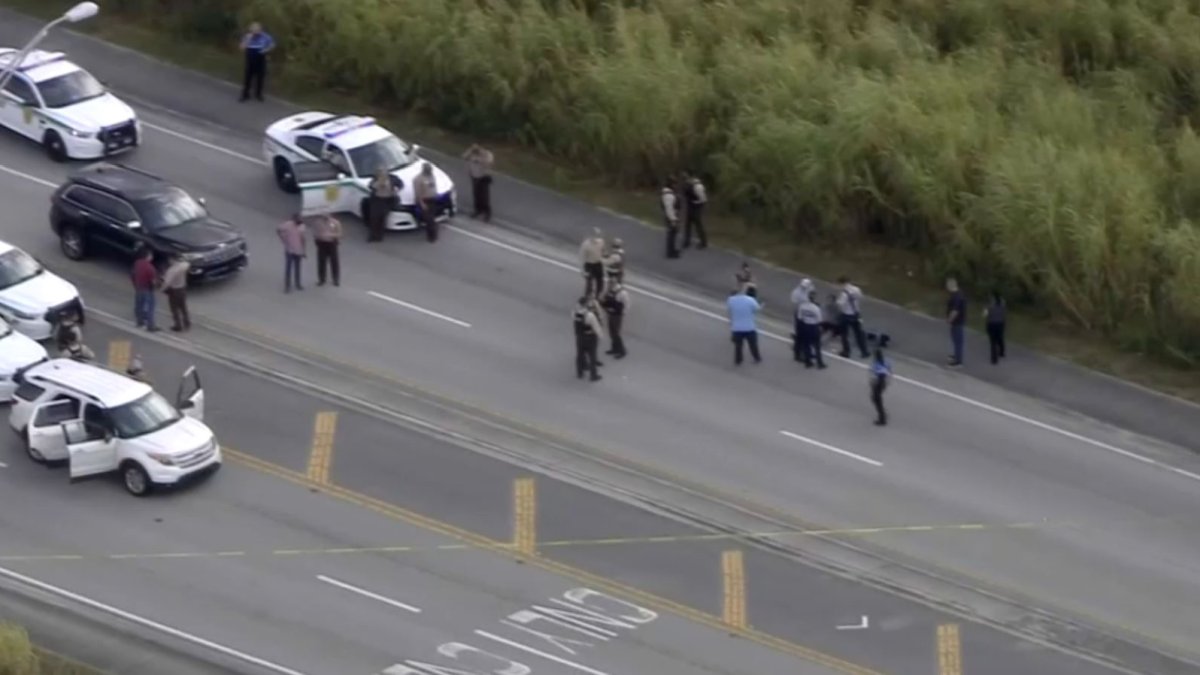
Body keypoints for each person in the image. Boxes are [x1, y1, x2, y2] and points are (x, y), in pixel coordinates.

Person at [238, 22, 275, 102]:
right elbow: (242, 48)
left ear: (260, 30)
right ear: (251, 30)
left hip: (261, 57)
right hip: (250, 56)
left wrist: (266, 50)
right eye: (253, 29)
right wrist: (248, 39)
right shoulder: (248, 36)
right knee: (248, 77)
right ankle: (245, 94)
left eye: (257, 29)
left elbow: (272, 44)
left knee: (260, 77)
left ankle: (258, 94)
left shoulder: (265, 36)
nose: (255, 31)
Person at [727, 287, 763, 365]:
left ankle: (738, 360)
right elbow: (757, 309)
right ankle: (757, 358)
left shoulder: (730, 300)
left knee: (738, 346)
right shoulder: (750, 300)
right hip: (749, 327)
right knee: (753, 345)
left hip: (737, 328)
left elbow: (730, 312)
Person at [836, 276, 869, 359]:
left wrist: (840, 309)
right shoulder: (856, 289)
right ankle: (864, 351)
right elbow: (861, 298)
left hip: (846, 315)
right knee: (859, 334)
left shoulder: (844, 293)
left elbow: (840, 304)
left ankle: (846, 352)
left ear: (842, 283)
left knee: (844, 334)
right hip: (856, 314)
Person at [573, 297, 603, 382]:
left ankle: (580, 372)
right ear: (585, 304)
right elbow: (596, 327)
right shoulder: (590, 315)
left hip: (580, 337)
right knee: (592, 356)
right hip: (590, 338)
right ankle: (593, 375)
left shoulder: (575, 313)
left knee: (580, 354)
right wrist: (600, 336)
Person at [463, 144, 495, 222]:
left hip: (483, 177)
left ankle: (487, 213)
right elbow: (464, 156)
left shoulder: (487, 154)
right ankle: (477, 210)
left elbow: (488, 163)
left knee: (484, 197)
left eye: (478, 148)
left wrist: (481, 155)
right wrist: (470, 150)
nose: (477, 150)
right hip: (474, 177)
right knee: (476, 195)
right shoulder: (472, 154)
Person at [160, 253, 191, 332]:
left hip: (174, 291)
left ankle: (178, 325)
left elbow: (167, 283)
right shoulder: (183, 265)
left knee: (174, 309)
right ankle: (187, 322)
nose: (169, 261)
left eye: (169, 260)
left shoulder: (171, 271)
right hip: (182, 289)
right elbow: (188, 264)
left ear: (172, 260)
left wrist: (162, 289)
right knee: (183, 307)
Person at [277, 214, 307, 293]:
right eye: (298, 220)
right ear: (294, 219)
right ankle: (287, 286)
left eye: (300, 220)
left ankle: (298, 284)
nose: (300, 221)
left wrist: (304, 251)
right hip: (289, 250)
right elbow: (278, 229)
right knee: (288, 269)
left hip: (299, 250)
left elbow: (303, 239)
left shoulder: (302, 226)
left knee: (298, 268)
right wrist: (283, 239)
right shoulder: (287, 224)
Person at [131, 248, 159, 332]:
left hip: (138, 288)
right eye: (151, 255)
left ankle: (140, 322)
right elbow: (153, 282)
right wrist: (157, 286)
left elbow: (132, 274)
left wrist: (135, 284)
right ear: (148, 256)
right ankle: (150, 326)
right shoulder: (150, 268)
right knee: (150, 307)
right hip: (147, 289)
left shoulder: (137, 263)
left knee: (138, 306)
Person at [797, 291, 826, 369]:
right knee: (817, 345)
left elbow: (800, 317)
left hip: (805, 326)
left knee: (806, 345)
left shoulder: (802, 306)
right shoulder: (816, 308)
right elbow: (819, 320)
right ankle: (820, 363)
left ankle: (808, 362)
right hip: (814, 327)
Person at [601, 281, 630, 359]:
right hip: (611, 313)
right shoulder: (610, 290)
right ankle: (614, 348)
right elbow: (606, 299)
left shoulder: (622, 293)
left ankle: (622, 350)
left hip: (617, 315)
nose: (609, 285)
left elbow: (627, 304)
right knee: (611, 332)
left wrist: (622, 313)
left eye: (611, 284)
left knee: (616, 333)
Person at [366, 168, 396, 242]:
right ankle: (372, 236)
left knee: (382, 219)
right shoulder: (376, 180)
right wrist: (378, 182)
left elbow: (400, 184)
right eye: (380, 173)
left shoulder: (392, 179)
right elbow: (370, 186)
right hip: (377, 200)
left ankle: (380, 235)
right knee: (374, 219)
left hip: (386, 201)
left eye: (383, 173)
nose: (382, 175)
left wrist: (396, 189)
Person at [313, 213, 343, 286]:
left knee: (334, 262)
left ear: (330, 214)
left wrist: (330, 235)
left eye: (326, 214)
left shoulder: (335, 222)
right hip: (321, 243)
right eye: (323, 214)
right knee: (321, 262)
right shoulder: (318, 222)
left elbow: (339, 234)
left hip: (332, 243)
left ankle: (335, 279)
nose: (325, 216)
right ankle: (321, 279)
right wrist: (318, 236)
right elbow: (315, 233)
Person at [413, 162, 439, 243]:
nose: (430, 171)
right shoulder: (418, 179)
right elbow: (417, 193)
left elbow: (433, 186)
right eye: (429, 170)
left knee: (432, 218)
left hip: (432, 199)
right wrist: (422, 203)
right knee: (429, 219)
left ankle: (432, 232)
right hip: (424, 201)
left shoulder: (432, 176)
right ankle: (431, 236)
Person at [682, 171, 708, 249]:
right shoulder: (687, 184)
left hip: (697, 207)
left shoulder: (698, 186)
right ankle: (687, 241)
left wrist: (695, 202)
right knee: (687, 225)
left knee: (698, 225)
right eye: (684, 178)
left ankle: (703, 242)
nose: (685, 179)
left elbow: (703, 199)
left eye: (686, 177)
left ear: (691, 177)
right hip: (690, 206)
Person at [869, 340, 892, 426]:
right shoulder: (886, 362)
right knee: (877, 399)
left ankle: (882, 418)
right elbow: (889, 372)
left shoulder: (876, 365)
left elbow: (874, 377)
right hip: (884, 383)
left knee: (876, 400)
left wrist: (872, 384)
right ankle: (883, 414)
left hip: (878, 384)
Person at [579, 228, 606, 298]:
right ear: (591, 236)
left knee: (600, 281)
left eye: (597, 235)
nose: (596, 238)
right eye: (594, 235)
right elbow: (582, 257)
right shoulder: (586, 244)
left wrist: (603, 258)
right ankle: (587, 296)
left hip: (598, 264)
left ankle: (598, 295)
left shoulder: (601, 242)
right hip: (589, 265)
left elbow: (603, 251)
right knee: (589, 283)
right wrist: (582, 270)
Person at [946, 276, 966, 367]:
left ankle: (958, 362)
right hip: (957, 322)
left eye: (947, 285)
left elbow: (955, 311)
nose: (946, 287)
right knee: (956, 340)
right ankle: (956, 356)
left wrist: (949, 320)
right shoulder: (958, 294)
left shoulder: (957, 296)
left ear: (951, 285)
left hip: (957, 322)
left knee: (958, 341)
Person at [984, 290, 1006, 365]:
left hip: (992, 324)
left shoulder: (989, 305)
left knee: (993, 342)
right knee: (1000, 338)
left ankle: (994, 359)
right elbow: (1003, 313)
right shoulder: (1002, 304)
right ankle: (1002, 352)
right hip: (1000, 324)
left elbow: (985, 314)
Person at [661, 179, 680, 259]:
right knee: (671, 234)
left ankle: (672, 250)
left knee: (673, 234)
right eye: (675, 184)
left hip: (669, 216)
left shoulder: (666, 194)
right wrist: (673, 219)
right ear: (671, 185)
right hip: (671, 217)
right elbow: (669, 208)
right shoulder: (669, 196)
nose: (676, 186)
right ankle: (670, 253)